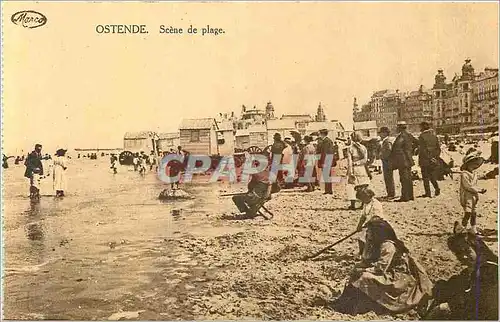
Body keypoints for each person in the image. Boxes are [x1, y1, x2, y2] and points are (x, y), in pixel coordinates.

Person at [332, 217, 433, 315]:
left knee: (364, 277)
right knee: (356, 273)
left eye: (370, 232)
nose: (367, 233)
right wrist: (367, 244)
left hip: (395, 276)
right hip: (385, 271)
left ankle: (357, 307)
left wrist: (364, 270)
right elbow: (365, 259)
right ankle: (344, 303)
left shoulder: (387, 246)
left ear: (377, 233)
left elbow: (380, 269)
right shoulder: (375, 243)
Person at [425, 227, 498, 320]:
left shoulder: (490, 270)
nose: (463, 256)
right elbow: (453, 285)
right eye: (458, 253)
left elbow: (479, 299)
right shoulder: (469, 271)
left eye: (467, 251)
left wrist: (447, 306)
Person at [232, 154, 271, 219]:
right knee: (243, 197)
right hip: (261, 195)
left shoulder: (257, 176)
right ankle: (251, 212)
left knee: (236, 198)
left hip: (256, 197)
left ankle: (249, 213)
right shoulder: (264, 175)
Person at [458, 153, 487, 235]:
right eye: (472, 163)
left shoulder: (474, 174)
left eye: (475, 164)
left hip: (474, 196)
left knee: (474, 212)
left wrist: (488, 175)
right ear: (467, 164)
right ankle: (460, 228)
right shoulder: (464, 174)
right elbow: (468, 186)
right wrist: (479, 190)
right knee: (468, 212)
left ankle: (473, 228)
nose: (474, 165)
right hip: (467, 196)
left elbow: (480, 176)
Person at [389, 121, 417, 202]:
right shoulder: (409, 135)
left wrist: (394, 157)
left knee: (404, 179)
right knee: (408, 178)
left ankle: (405, 197)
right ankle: (410, 196)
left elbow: (396, 148)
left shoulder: (401, 136)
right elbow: (416, 143)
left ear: (400, 127)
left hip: (402, 160)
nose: (396, 128)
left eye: (397, 127)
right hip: (408, 159)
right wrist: (410, 151)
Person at [354, 188, 384, 257]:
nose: (361, 201)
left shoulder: (376, 204)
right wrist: (359, 225)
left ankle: (369, 254)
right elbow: (363, 216)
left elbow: (377, 217)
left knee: (368, 238)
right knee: (360, 237)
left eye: (362, 199)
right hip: (369, 224)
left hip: (378, 224)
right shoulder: (366, 203)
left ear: (368, 196)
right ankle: (362, 253)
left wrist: (367, 225)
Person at [346, 132, 371, 209]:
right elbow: (365, 160)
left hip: (354, 169)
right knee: (363, 186)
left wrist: (350, 172)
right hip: (362, 168)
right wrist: (359, 163)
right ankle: (363, 204)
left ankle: (353, 204)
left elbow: (350, 162)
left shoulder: (350, 148)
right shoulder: (363, 148)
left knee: (352, 186)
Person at [418, 122, 441, 198]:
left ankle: (428, 193)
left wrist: (428, 157)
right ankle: (437, 188)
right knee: (432, 175)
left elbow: (423, 150)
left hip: (425, 160)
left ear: (422, 128)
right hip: (433, 159)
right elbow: (438, 149)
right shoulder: (434, 136)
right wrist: (435, 157)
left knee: (425, 177)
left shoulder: (422, 136)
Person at [316, 129, 335, 195]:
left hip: (326, 161)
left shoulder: (326, 141)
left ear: (322, 134)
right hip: (328, 160)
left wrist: (323, 162)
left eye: (320, 134)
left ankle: (328, 190)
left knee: (327, 176)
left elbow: (325, 153)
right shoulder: (328, 141)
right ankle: (328, 190)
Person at [379, 127, 395, 199]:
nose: (380, 134)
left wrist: (382, 156)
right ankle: (390, 193)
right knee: (388, 177)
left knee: (388, 178)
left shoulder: (387, 141)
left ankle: (391, 194)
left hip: (387, 162)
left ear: (385, 133)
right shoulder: (387, 140)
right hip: (387, 161)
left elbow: (389, 151)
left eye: (381, 133)